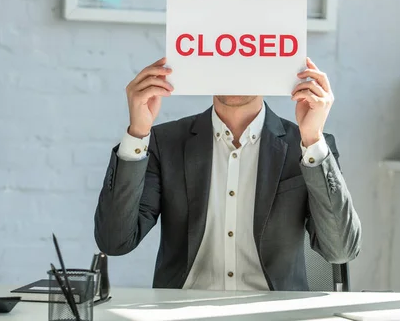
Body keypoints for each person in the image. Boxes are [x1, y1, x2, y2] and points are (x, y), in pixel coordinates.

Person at [94, 57, 361, 291]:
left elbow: (340, 250)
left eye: (246, 59)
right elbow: (115, 241)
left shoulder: (305, 145)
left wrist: (312, 140)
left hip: (275, 312)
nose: (235, 71)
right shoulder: (166, 143)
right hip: (182, 311)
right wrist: (137, 134)